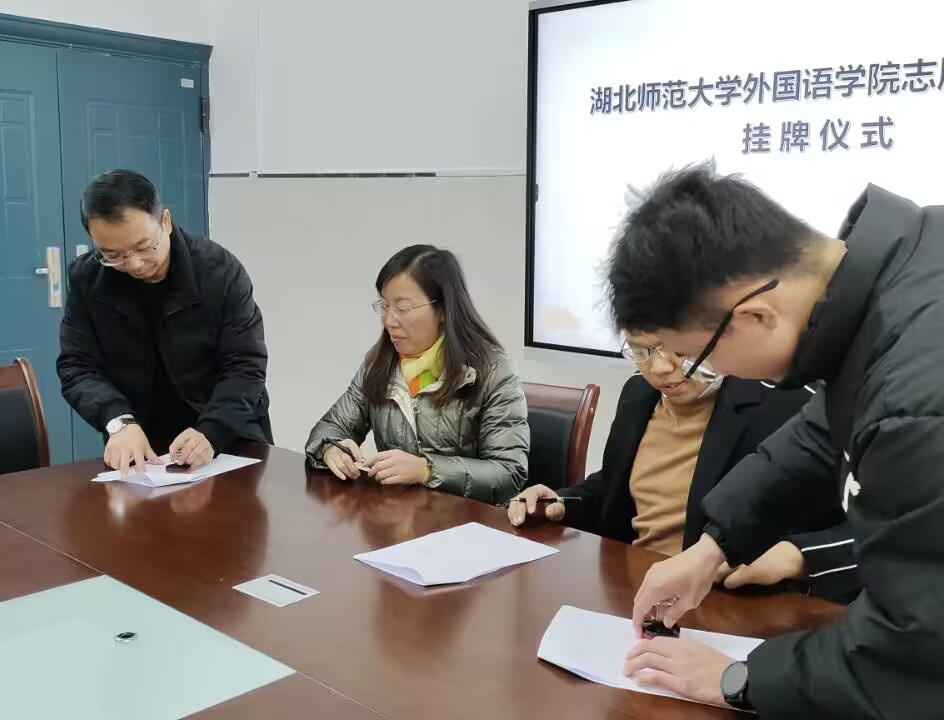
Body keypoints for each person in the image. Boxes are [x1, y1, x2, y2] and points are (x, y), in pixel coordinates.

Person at [608, 165, 944, 718]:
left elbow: (913, 654)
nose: (704, 370)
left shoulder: (915, 399)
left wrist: (739, 677)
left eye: (695, 355)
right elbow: (823, 429)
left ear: (755, 315)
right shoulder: (900, 271)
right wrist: (713, 548)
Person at [508, 333, 856, 601]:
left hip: (730, 606)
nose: (659, 368)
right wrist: (562, 503)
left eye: (676, 349)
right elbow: (614, 488)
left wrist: (795, 557)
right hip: (635, 591)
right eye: (641, 350)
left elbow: (869, 531)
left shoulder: (790, 407)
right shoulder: (637, 395)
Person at [58, 170, 271, 476]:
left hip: (228, 437)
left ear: (166, 222)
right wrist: (118, 420)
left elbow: (246, 365)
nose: (133, 264)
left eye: (144, 247)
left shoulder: (218, 271)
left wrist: (213, 431)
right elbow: (77, 366)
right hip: (142, 445)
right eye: (112, 255)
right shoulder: (87, 280)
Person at [305, 245, 529, 505]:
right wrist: (332, 449)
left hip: (469, 521)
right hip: (398, 517)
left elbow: (508, 473)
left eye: (402, 308)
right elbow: (331, 428)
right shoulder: (379, 363)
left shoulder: (491, 371)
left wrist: (426, 469)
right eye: (384, 306)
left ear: (443, 309)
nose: (389, 321)